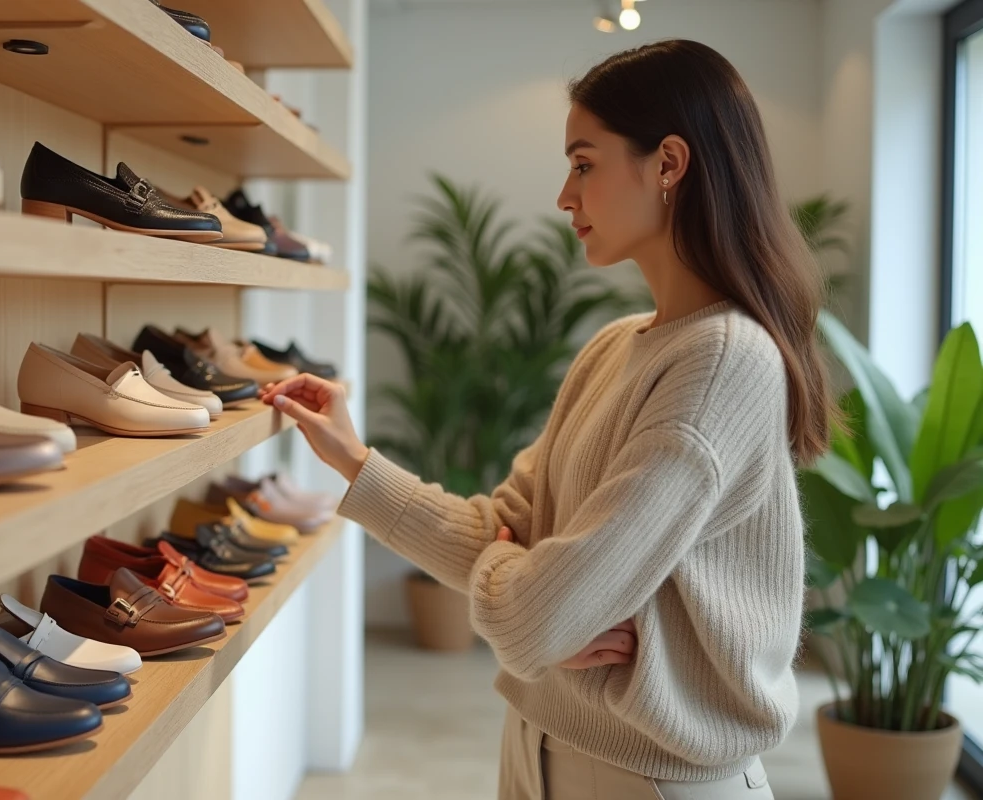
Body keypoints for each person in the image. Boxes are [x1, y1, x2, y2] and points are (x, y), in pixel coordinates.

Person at [261, 39, 840, 800]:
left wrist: (539, 603)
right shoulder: (614, 348)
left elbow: (537, 621)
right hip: (539, 748)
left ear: (668, 164)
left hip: (649, 781)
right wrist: (352, 460)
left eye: (584, 163)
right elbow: (503, 536)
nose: (565, 196)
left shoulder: (725, 362)